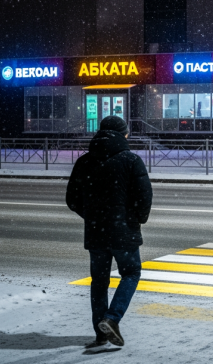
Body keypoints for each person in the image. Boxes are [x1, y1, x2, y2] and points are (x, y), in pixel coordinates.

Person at [66, 115, 153, 349]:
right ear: (124, 134)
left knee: (99, 282)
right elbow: (144, 197)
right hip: (124, 232)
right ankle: (112, 318)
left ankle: (101, 333)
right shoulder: (131, 160)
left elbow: (72, 199)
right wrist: (136, 219)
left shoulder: (84, 161)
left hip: (96, 233)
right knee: (131, 272)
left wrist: (94, 217)